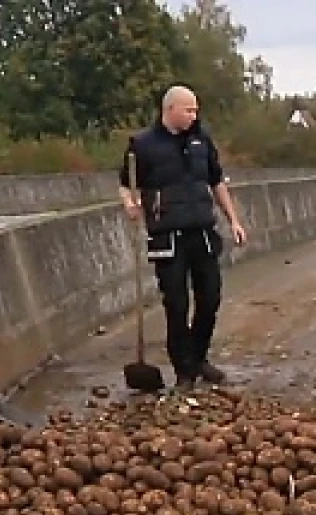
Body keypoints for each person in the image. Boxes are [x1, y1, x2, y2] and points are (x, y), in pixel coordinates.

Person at [119, 85, 247, 387]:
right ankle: (184, 370)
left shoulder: (202, 141)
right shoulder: (142, 144)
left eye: (195, 110)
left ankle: (199, 358)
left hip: (202, 231)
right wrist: (130, 203)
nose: (194, 115)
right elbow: (125, 182)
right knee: (176, 304)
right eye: (188, 110)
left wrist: (234, 220)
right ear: (170, 110)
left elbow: (217, 182)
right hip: (167, 235)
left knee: (211, 297)